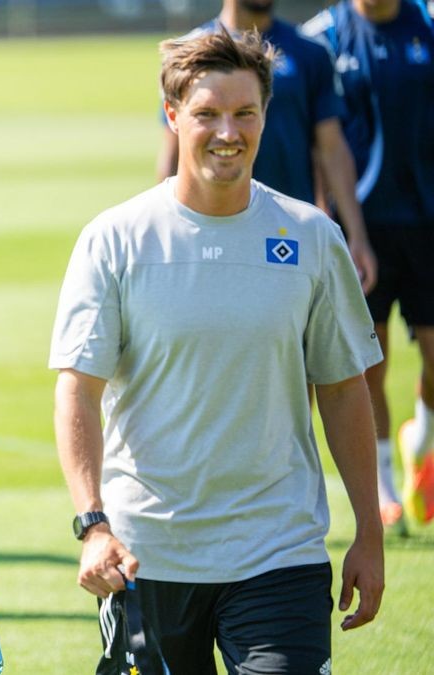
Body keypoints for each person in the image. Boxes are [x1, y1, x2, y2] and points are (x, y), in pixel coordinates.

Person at [50, 29, 384, 673]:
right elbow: (78, 389)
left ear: (265, 115)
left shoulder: (312, 237)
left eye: (244, 113)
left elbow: (344, 389)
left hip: (279, 551)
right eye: (206, 114)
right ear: (173, 116)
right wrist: (93, 525)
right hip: (146, 557)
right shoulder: (115, 239)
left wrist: (368, 533)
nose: (227, 132)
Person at [303, 0, 434, 531]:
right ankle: (382, 484)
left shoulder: (427, 20)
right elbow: (320, 142)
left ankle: (420, 438)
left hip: (428, 221)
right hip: (363, 228)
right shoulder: (327, 36)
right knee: (368, 360)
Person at [156, 0, 378, 298]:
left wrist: (356, 235)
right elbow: (172, 151)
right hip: (207, 231)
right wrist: (161, 226)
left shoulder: (310, 51)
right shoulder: (190, 51)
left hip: (286, 236)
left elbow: (332, 148)